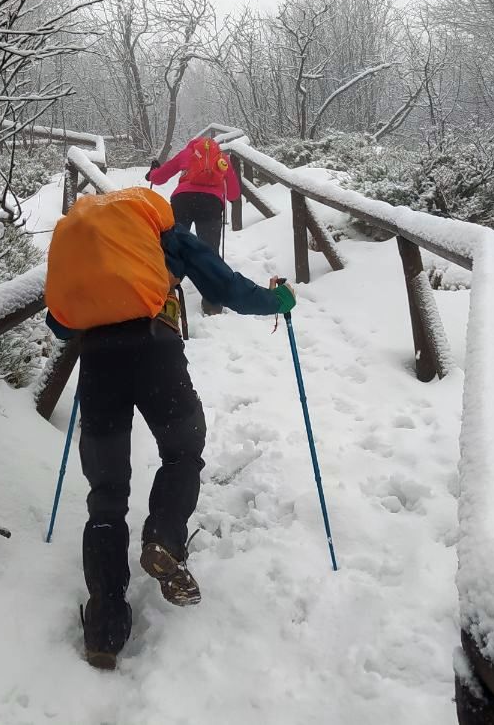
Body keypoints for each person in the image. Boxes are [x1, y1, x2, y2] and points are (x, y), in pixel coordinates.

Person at [45, 186, 296, 671]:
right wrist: (278, 300)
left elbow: (59, 322)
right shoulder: (162, 231)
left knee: (106, 493)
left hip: (98, 365)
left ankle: (104, 627)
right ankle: (163, 536)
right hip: (156, 352)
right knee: (183, 451)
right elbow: (222, 287)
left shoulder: (82, 246)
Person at [147, 136, 241, 314]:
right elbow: (234, 194)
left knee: (172, 248)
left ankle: (165, 297)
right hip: (211, 203)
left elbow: (159, 178)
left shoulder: (187, 153)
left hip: (182, 200)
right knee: (210, 251)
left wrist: (152, 173)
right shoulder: (222, 158)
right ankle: (212, 304)